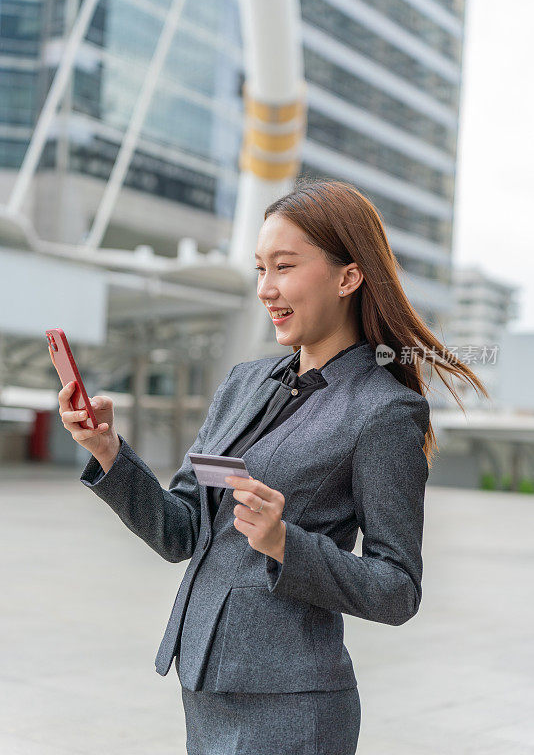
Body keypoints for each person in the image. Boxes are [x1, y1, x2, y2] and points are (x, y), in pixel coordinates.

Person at [58, 179, 489, 754]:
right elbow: (180, 532)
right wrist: (108, 450)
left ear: (347, 277)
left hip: (294, 705)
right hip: (208, 687)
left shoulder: (386, 411)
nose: (266, 288)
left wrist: (286, 543)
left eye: (283, 267)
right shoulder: (244, 384)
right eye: (260, 269)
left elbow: (397, 589)